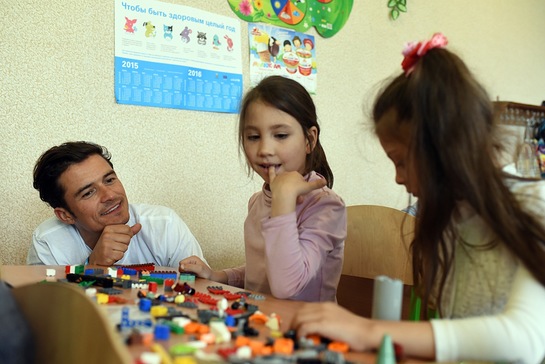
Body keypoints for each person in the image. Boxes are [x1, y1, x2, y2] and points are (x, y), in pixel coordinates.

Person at [291, 33, 545, 363]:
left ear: (444, 146)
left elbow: (523, 341)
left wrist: (369, 330)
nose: (398, 177)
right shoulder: (450, 219)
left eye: (400, 160)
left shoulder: (534, 205)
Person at [179, 76, 346, 302]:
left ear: (310, 140)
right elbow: (264, 270)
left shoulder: (326, 206)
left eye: (280, 135)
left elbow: (287, 286)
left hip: (308, 330)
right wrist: (217, 275)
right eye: (253, 137)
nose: (265, 149)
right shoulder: (257, 202)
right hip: (261, 321)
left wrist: (283, 201)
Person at [28, 141, 205, 268]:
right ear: (65, 215)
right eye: (89, 192)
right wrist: (93, 267)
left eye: (110, 180)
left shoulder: (164, 223)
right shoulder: (48, 242)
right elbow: (46, 315)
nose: (110, 195)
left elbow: (201, 294)